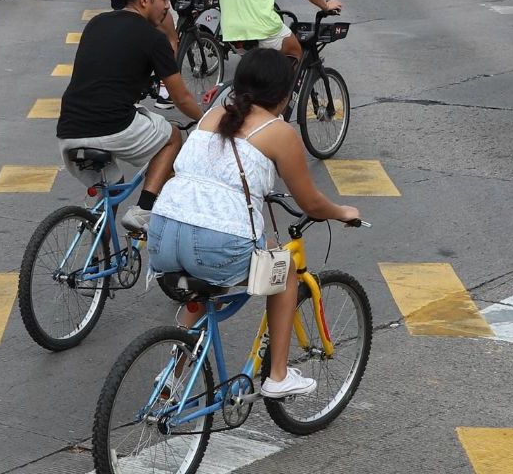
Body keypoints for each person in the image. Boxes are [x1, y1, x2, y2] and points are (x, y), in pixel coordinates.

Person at [149, 48, 361, 398]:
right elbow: (309, 202)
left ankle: (173, 374)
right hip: (216, 244)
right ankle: (278, 375)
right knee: (285, 271)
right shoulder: (279, 133)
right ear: (284, 93)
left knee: (202, 288)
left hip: (163, 233)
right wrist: (341, 211)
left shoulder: (213, 115)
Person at [56, 0, 205, 235]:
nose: (167, 8)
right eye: (165, 0)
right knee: (171, 136)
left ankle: (101, 262)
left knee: (111, 188)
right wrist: (207, 120)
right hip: (110, 127)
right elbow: (181, 97)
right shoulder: (154, 38)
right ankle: (144, 210)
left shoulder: (96, 23)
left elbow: (106, 71)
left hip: (68, 131)